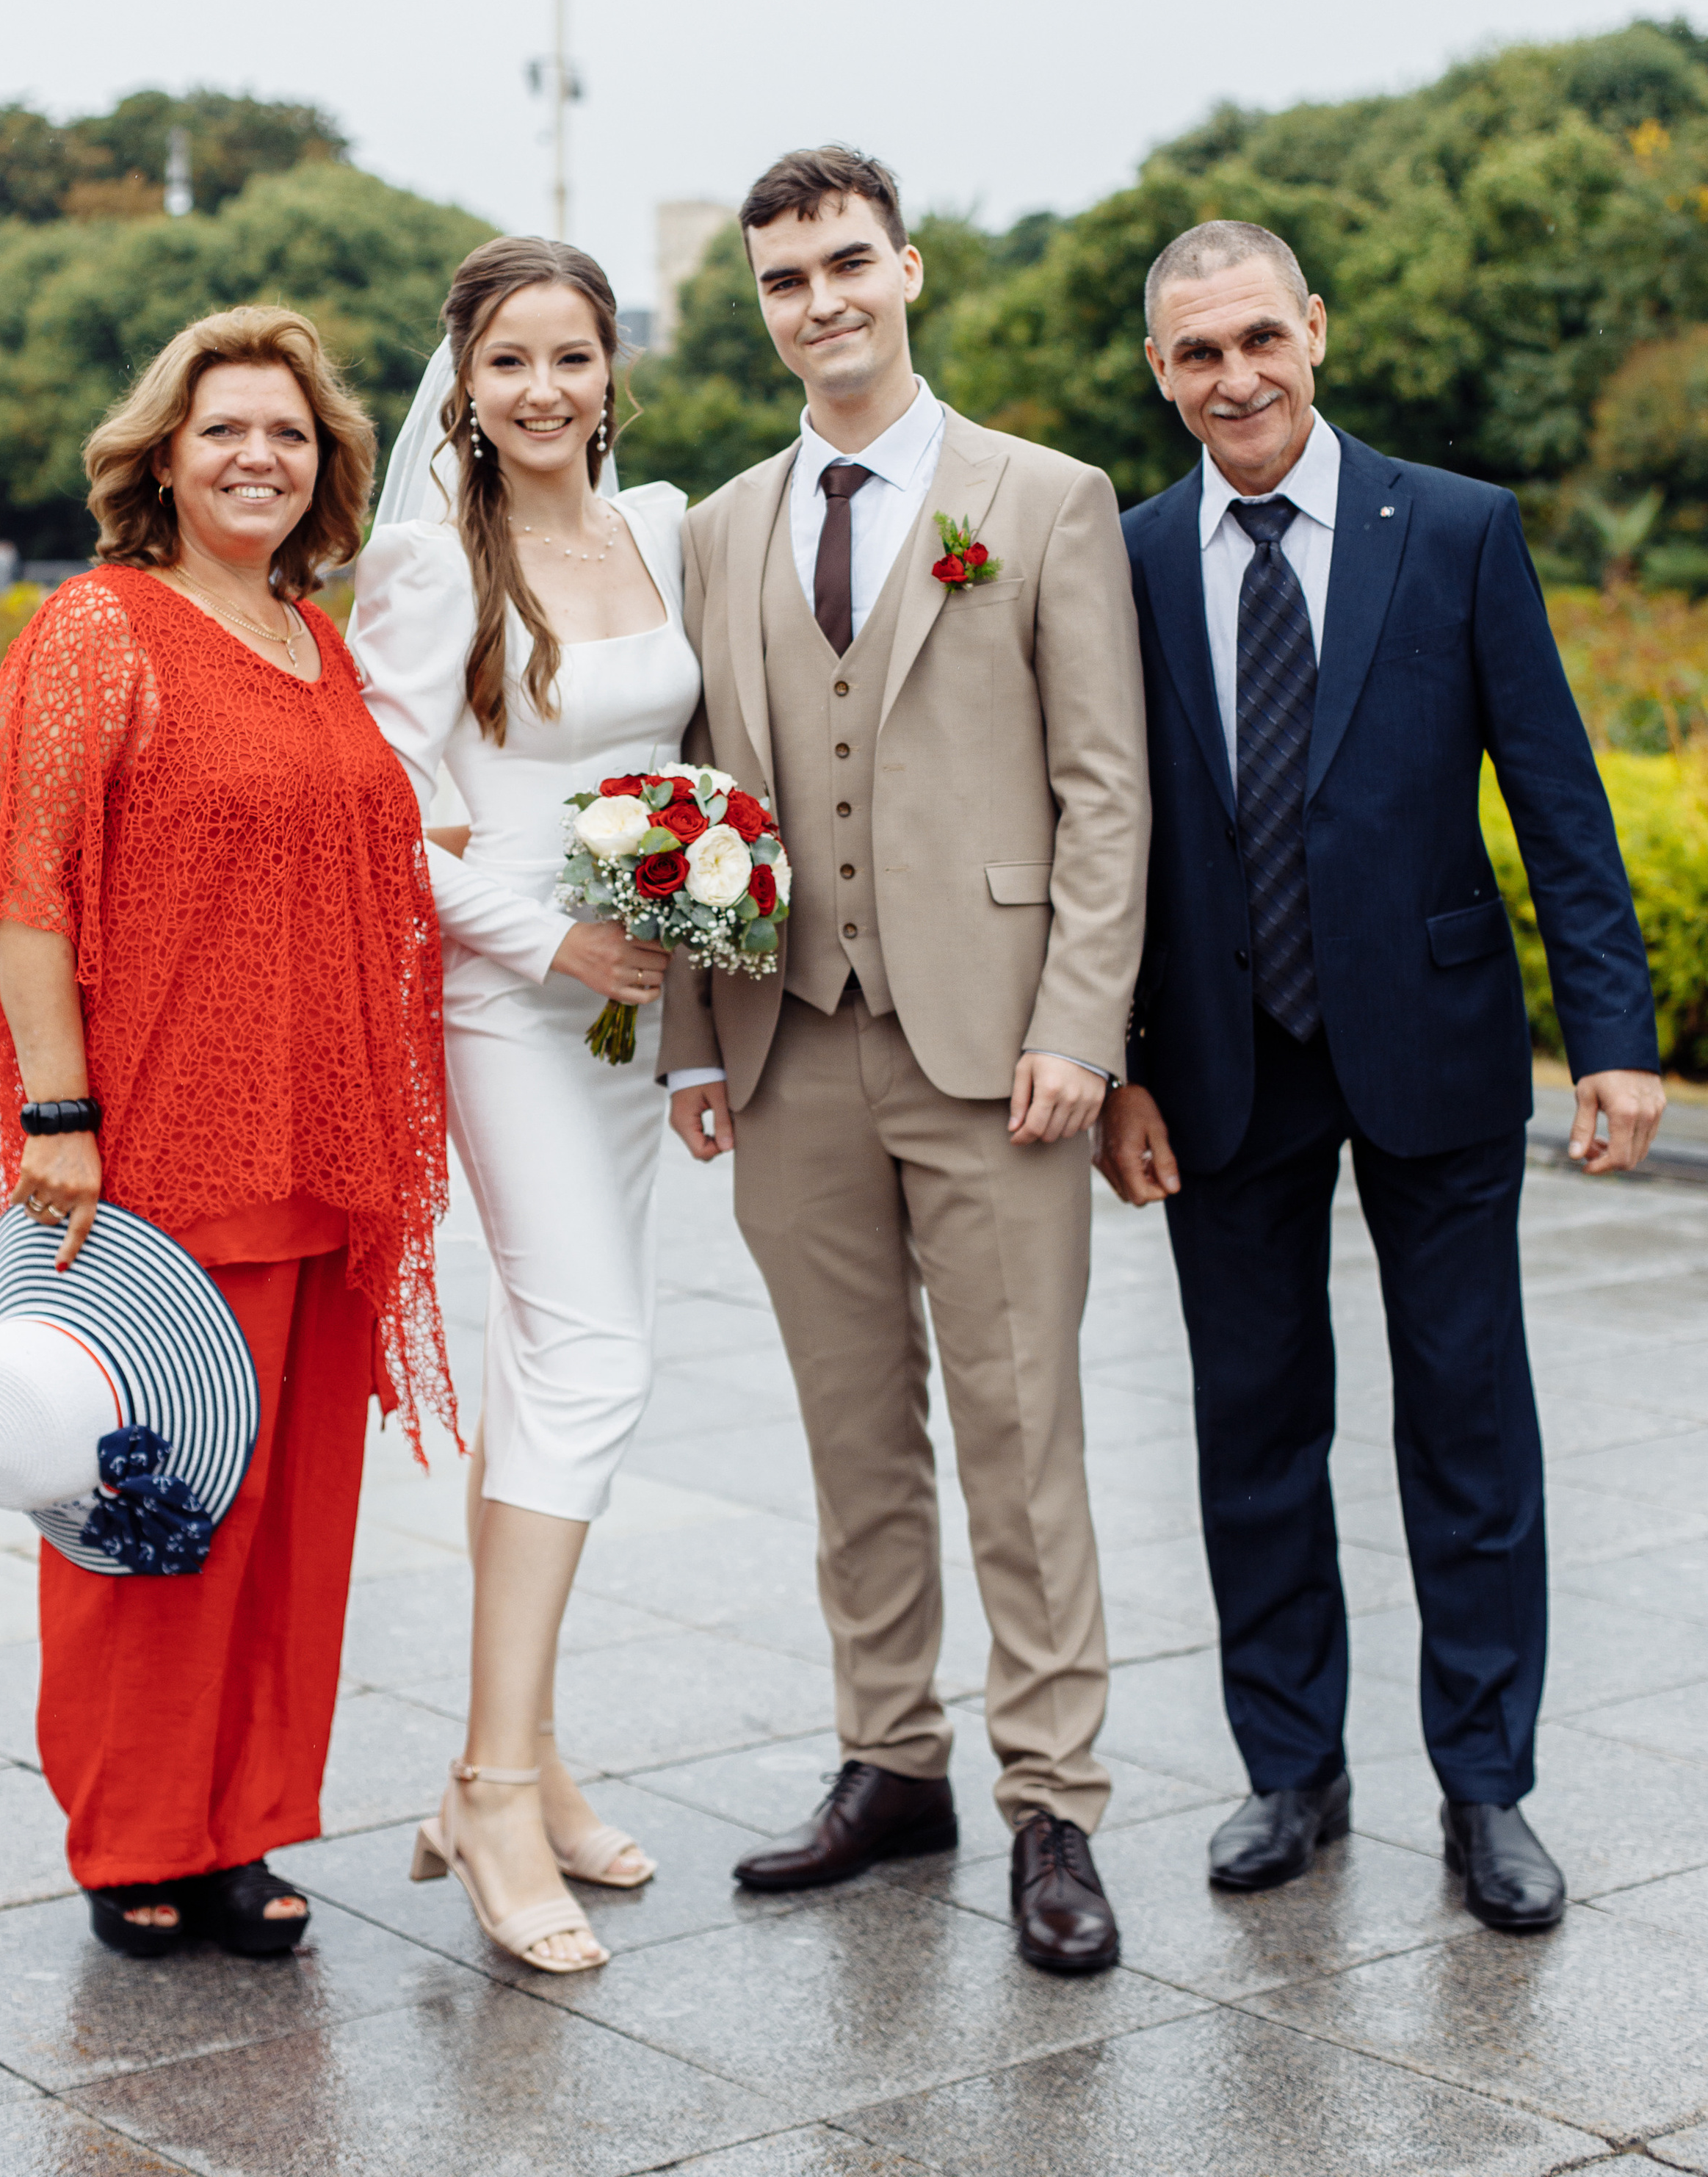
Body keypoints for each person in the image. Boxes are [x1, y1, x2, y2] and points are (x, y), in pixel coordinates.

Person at [1100, 219, 1665, 1933]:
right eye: (1196, 354)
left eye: (1258, 339)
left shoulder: (1458, 531)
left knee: (1465, 1423)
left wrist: (1616, 1039)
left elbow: (1557, 806)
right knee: (1252, 1429)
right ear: (1159, 372)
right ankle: (1290, 1769)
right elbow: (1098, 834)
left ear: (1314, 332)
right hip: (1218, 1056)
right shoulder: (1118, 561)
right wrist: (1120, 1062)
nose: (1234, 378)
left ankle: (1485, 1789)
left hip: (1430, 1043)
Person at [662, 147, 1150, 1975]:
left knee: (1023, 1441)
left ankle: (1053, 1800)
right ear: (764, 307)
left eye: (845, 265)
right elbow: (705, 802)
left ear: (908, 270)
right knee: (850, 1436)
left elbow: (1105, 788)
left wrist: (1076, 1029)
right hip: (791, 1047)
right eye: (784, 281)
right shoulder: (719, 527)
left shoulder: (1041, 498)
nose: (819, 303)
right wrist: (701, 1045)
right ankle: (891, 1761)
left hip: (992, 1048)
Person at [0, 304, 452, 1958]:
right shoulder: (103, 627)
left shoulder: (323, 643)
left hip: (322, 1146)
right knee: (149, 1505)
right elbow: (28, 892)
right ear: (162, 452)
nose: (258, 457)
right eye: (226, 428)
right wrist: (58, 1112)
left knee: (287, 1520)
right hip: (159, 1152)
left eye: (290, 436)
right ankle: (134, 1839)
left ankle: (244, 1829)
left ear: (326, 470)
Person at [354, 235, 698, 1976]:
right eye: (509, 364)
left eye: (572, 358)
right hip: (502, 1000)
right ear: (465, 388)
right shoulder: (428, 568)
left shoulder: (662, 528)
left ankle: (534, 1753)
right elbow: (391, 829)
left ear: (609, 372)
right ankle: (487, 1784)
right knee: (593, 1360)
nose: (545, 392)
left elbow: (693, 781)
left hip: (633, 1024)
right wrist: (548, 935)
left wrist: (678, 991)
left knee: (540, 1373)